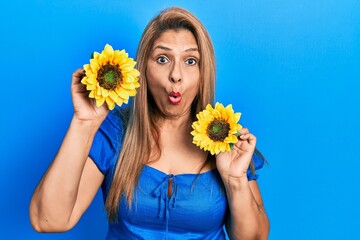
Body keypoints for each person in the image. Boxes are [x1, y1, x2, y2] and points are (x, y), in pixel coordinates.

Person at [30, 6, 270, 240]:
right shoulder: (114, 133)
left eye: (190, 61)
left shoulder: (227, 139)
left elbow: (254, 238)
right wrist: (84, 122)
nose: (176, 74)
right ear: (143, 68)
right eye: (163, 59)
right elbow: (48, 220)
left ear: (203, 72)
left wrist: (235, 180)